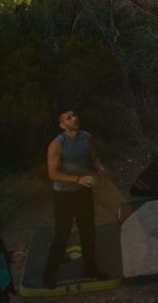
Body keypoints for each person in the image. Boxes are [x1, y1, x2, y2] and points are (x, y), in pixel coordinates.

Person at [43, 110, 108, 288]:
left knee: (88, 232)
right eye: (68, 117)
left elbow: (94, 158)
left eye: (75, 115)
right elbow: (53, 173)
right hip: (64, 195)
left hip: (83, 192)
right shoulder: (57, 144)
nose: (74, 118)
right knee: (62, 236)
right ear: (62, 125)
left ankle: (91, 270)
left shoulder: (86, 137)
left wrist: (100, 166)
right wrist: (78, 179)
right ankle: (48, 276)